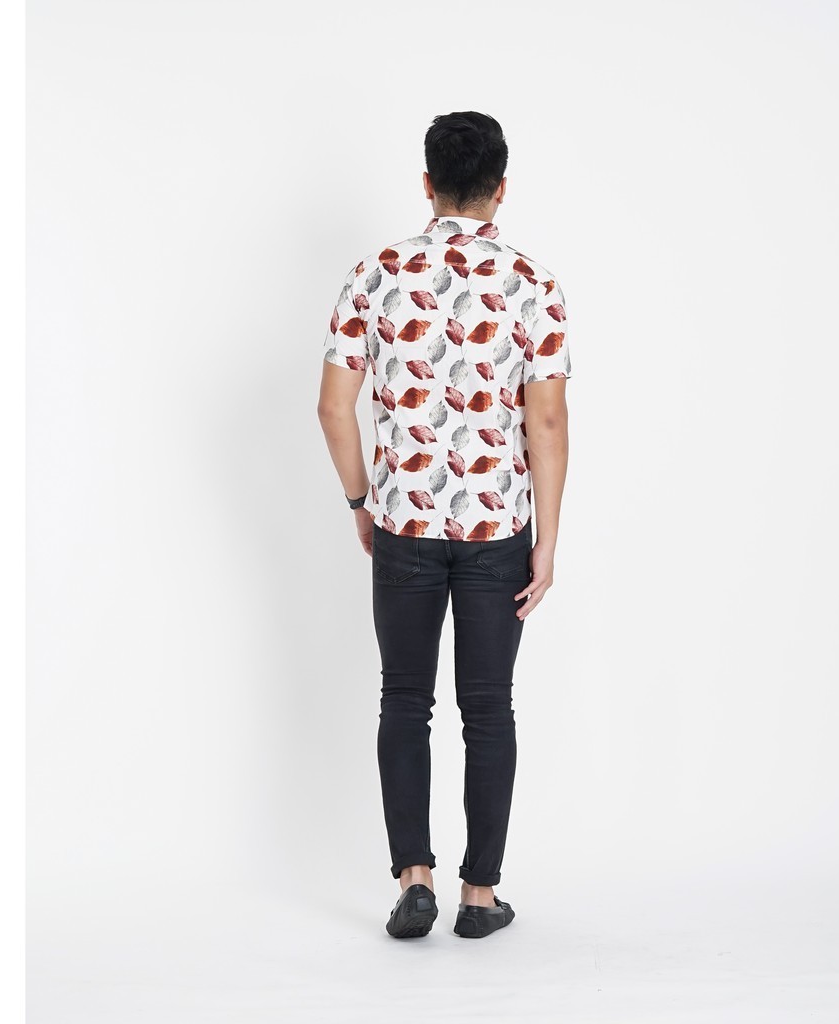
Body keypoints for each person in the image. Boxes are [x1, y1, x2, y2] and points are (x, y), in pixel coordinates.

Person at [316, 111, 571, 939]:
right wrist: (547, 539)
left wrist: (363, 502)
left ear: (427, 184)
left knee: (404, 698)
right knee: (488, 708)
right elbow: (547, 423)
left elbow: (333, 408)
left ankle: (414, 880)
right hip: (498, 531)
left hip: (405, 524)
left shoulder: (376, 274)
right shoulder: (534, 284)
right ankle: (480, 896)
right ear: (502, 189)